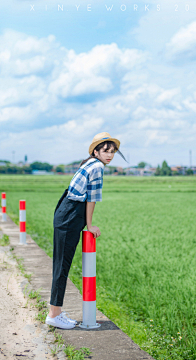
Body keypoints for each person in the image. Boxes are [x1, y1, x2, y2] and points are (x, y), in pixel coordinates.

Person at [45, 132, 127, 329]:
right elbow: (91, 199)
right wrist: (90, 225)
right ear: (96, 151)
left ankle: (55, 311)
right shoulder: (97, 166)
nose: (109, 155)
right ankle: (54, 314)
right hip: (71, 216)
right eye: (106, 151)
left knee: (61, 265)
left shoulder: (89, 163)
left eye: (113, 152)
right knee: (62, 266)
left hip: (66, 213)